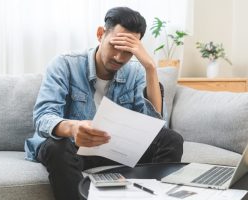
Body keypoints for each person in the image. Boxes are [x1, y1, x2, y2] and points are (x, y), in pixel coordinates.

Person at [25, 7, 183, 200]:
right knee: (56, 147)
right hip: (73, 148)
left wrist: (150, 68)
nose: (119, 57)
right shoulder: (65, 64)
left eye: (128, 51)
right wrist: (73, 128)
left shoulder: (136, 72)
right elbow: (43, 117)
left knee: (170, 139)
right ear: (101, 34)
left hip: (114, 147)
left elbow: (155, 128)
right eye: (115, 46)